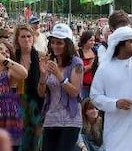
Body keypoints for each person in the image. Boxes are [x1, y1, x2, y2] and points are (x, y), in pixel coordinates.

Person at [38, 23, 84, 151]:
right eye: (53, 42)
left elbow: (75, 92)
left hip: (70, 119)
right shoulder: (50, 61)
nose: (55, 46)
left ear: (67, 44)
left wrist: (59, 75)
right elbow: (41, 94)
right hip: (51, 117)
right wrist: (42, 75)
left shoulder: (76, 63)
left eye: (59, 43)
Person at [14, 24, 44, 151]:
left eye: (29, 36)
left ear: (33, 38)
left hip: (37, 101)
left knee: (37, 136)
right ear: (17, 39)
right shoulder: (13, 56)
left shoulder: (40, 56)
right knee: (21, 137)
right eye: (22, 37)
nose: (26, 39)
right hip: (17, 101)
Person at [0, 41, 28, 151]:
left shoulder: (10, 72)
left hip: (9, 119)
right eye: (0, 50)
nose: (3, 52)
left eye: (7, 51)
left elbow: (24, 73)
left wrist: (5, 61)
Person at [78, 31, 98, 99]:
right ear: (84, 41)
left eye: (94, 40)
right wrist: (90, 66)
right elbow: (77, 71)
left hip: (94, 86)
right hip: (82, 86)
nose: (93, 42)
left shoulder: (95, 51)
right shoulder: (79, 53)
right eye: (91, 40)